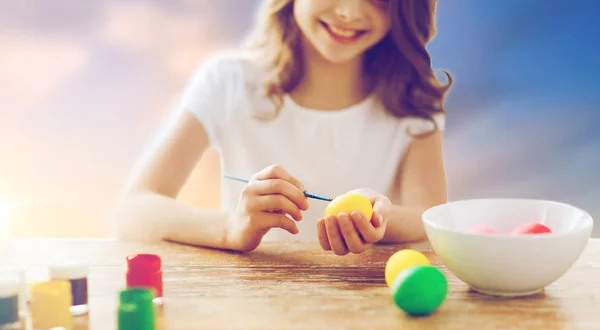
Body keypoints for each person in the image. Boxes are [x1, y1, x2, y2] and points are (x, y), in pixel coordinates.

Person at [114, 0, 452, 256]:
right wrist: (231, 228)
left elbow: (431, 221)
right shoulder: (229, 82)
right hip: (251, 314)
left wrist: (378, 220)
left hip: (366, 312)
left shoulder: (414, 102)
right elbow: (134, 212)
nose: (349, 12)